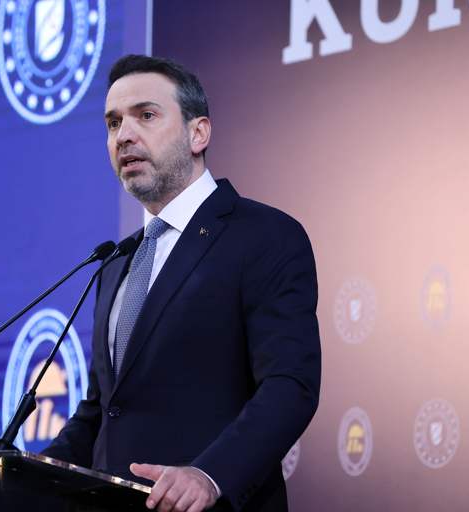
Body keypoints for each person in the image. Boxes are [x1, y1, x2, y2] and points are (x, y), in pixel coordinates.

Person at [42, 55, 321, 512]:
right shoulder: (116, 264)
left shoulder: (263, 236)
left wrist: (210, 475)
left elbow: (290, 385)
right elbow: (101, 412)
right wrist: (23, 473)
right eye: (113, 123)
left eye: (146, 115)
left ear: (198, 133)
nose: (124, 135)